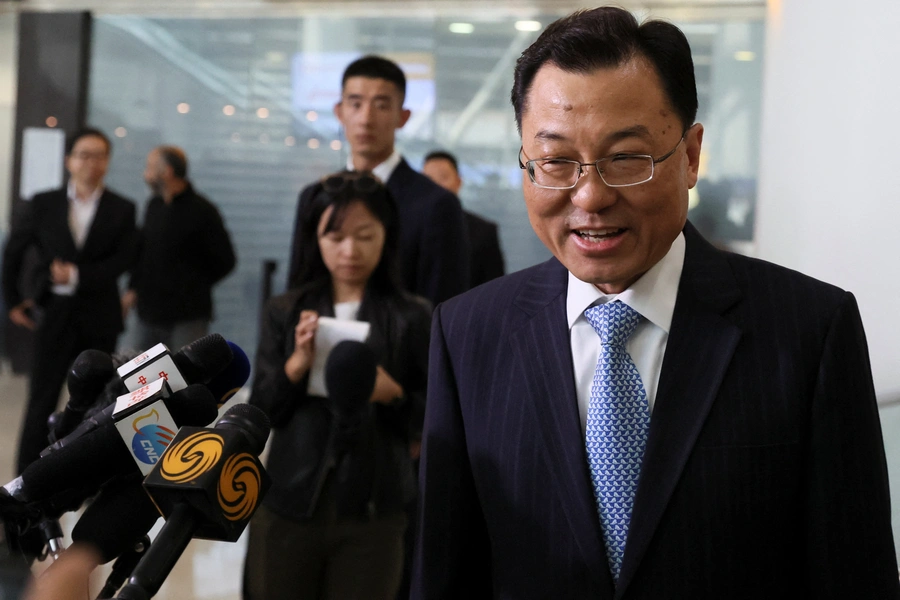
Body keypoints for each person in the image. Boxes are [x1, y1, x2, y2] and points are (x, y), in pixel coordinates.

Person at [412, 7, 900, 599]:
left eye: (626, 158)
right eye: (556, 162)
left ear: (690, 156)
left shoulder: (809, 332)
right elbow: (445, 571)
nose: (589, 196)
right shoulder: (468, 335)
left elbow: (854, 574)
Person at [245, 171, 431, 600]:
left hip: (375, 506)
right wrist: (296, 365)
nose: (350, 250)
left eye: (365, 235)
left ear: (387, 236)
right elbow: (261, 413)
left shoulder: (413, 316)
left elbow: (435, 415)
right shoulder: (286, 310)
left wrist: (393, 395)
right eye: (336, 237)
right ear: (316, 239)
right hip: (291, 495)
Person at [2, 128, 137, 475]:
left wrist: (76, 276)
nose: (90, 163)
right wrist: (12, 299)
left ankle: (84, 476)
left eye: (99, 155)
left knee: (97, 403)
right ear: (69, 160)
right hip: (55, 314)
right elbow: (14, 250)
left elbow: (122, 261)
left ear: (107, 162)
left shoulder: (122, 208)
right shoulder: (44, 202)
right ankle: (26, 478)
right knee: (41, 398)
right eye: (83, 154)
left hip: (99, 316)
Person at [287, 55, 469, 305]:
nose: (366, 119)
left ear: (403, 117)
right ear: (339, 112)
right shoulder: (315, 197)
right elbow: (298, 292)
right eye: (355, 104)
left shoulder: (436, 205)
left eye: (381, 105)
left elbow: (444, 304)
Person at [122, 146, 236, 351]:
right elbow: (142, 253)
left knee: (184, 375)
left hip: (187, 315)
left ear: (166, 171)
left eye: (150, 168)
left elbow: (226, 260)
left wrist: (193, 284)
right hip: (148, 311)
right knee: (138, 375)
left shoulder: (203, 211)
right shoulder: (153, 205)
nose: (145, 174)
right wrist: (133, 288)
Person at [423, 150, 505, 287]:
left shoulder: (484, 232)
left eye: (443, 178)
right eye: (428, 180)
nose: (435, 186)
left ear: (458, 182)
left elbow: (494, 287)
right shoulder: (405, 227)